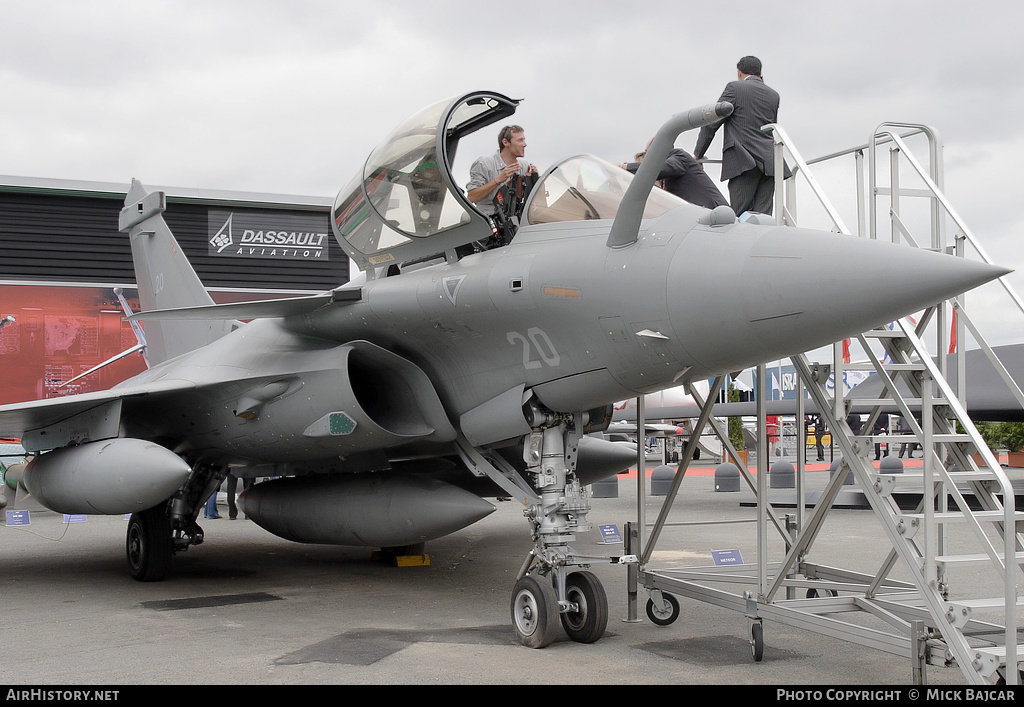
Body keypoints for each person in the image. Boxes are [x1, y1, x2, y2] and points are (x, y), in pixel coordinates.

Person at [693, 55, 791, 216]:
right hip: (770, 162)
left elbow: (712, 122)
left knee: (738, 217)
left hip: (743, 159)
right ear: (760, 73)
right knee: (763, 220)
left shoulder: (734, 88)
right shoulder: (773, 95)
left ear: (739, 72)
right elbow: (769, 126)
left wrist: (698, 154)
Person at [621, 143, 727, 210]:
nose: (646, 157)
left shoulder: (679, 156)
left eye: (647, 152)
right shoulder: (666, 178)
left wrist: (624, 167)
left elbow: (660, 169)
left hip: (714, 215)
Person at [466, 125, 538, 218]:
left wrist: (532, 180)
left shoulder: (524, 166)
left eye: (524, 140)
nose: (524, 144)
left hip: (514, 219)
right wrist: (498, 180)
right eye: (520, 140)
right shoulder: (484, 163)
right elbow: (471, 197)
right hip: (487, 219)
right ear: (505, 142)